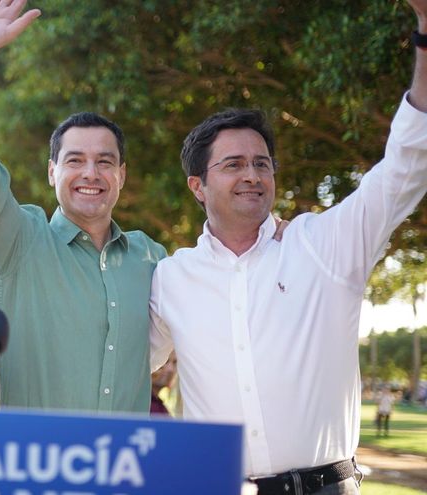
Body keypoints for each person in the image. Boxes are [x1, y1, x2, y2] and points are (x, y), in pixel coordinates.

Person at [150, 1, 427, 491]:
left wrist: (424, 33)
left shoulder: (324, 245)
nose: (253, 175)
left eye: (262, 163)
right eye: (233, 164)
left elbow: (405, 166)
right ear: (197, 186)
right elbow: (117, 360)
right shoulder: (171, 277)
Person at [0, 0, 166, 413]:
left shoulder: (152, 257)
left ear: (122, 175)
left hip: (128, 470)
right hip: (37, 469)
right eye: (75, 160)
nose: (91, 173)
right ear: (51, 172)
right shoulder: (20, 241)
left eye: (105, 162)